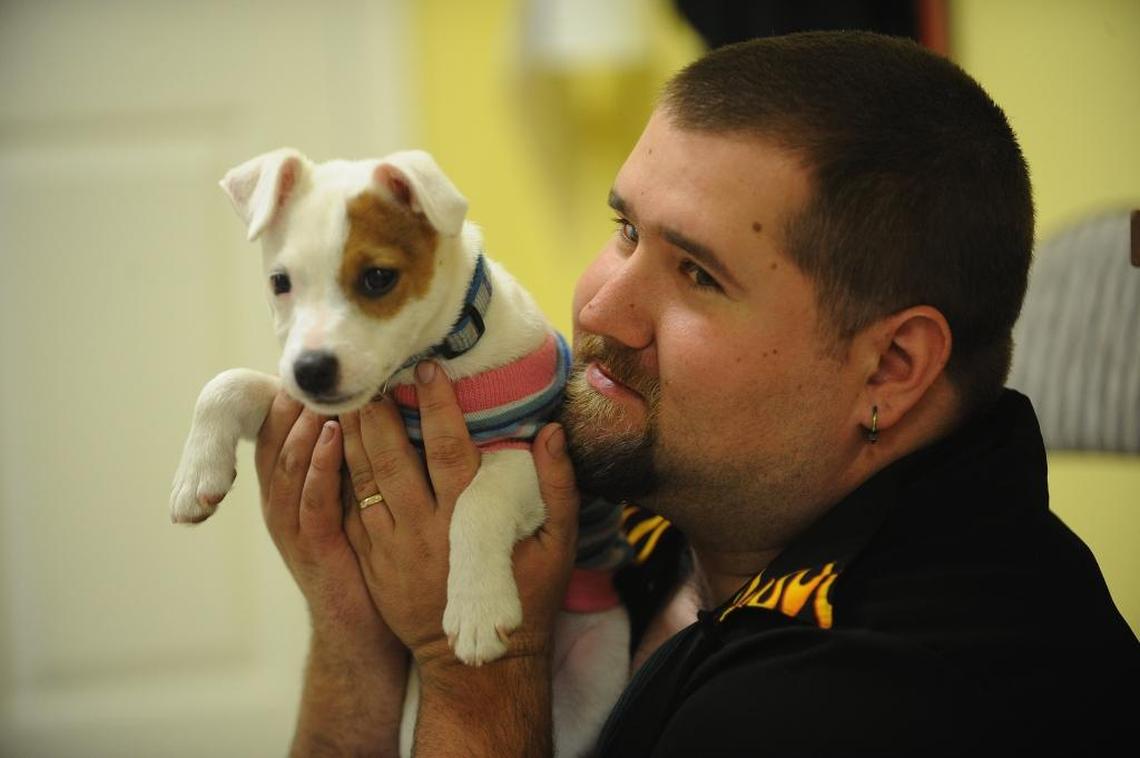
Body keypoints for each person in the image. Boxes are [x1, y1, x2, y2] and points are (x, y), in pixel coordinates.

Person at [254, 31, 1138, 757]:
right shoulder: (663, 500)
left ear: (892, 367)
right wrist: (355, 631)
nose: (601, 304)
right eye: (624, 229)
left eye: (698, 275)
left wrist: (470, 661)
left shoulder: (863, 702)